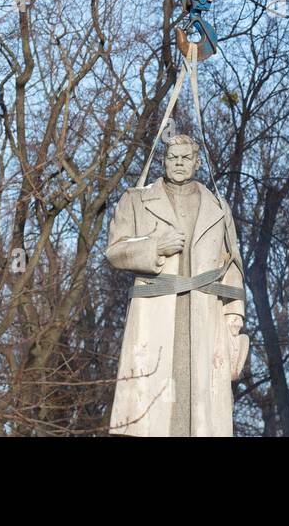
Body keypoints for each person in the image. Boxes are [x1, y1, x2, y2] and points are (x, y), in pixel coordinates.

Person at [105, 134, 247, 436]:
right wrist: (154, 247)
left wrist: (235, 313)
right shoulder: (137, 199)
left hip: (204, 312)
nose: (179, 163)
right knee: (151, 400)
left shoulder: (217, 205)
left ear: (197, 162)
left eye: (186, 157)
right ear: (163, 161)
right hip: (155, 309)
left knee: (202, 404)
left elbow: (231, 261)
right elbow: (114, 250)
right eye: (173, 157)